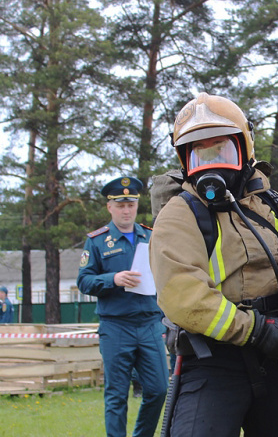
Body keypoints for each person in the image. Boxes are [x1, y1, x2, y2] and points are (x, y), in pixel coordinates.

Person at [149, 93, 278, 437]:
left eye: (222, 151)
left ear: (245, 149)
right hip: (212, 364)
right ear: (185, 161)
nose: (212, 165)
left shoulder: (272, 205)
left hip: (275, 361)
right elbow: (184, 296)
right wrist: (257, 331)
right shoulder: (179, 214)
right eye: (200, 154)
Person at [77, 176, 169, 437]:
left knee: (159, 389)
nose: (126, 210)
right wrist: (113, 279)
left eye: (131, 204)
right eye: (120, 205)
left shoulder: (150, 237)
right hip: (116, 325)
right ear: (110, 208)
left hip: (150, 323)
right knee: (117, 395)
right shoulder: (97, 242)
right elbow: (83, 281)